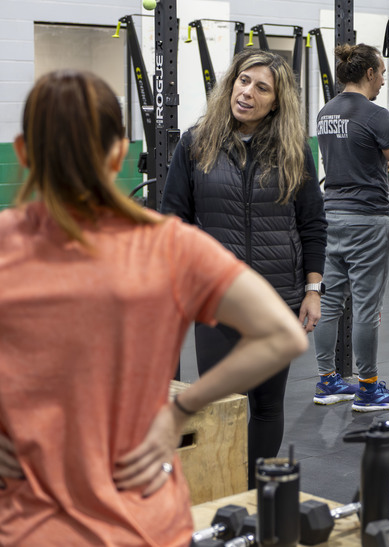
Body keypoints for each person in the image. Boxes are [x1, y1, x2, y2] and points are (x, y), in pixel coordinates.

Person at [0, 70, 307, 545]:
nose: (247, 94)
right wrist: (179, 411)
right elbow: (282, 335)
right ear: (119, 154)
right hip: (146, 522)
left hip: (31, 527)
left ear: (22, 154)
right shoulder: (170, 246)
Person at [161, 48, 326, 486]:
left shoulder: (293, 150)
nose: (247, 92)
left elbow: (312, 223)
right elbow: (173, 221)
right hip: (217, 301)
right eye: (243, 81)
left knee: (268, 407)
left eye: (261, 88)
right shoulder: (196, 143)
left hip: (278, 298)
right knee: (223, 404)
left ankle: (255, 497)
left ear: (277, 101)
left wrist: (313, 289)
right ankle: (226, 493)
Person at [313, 43, 389, 411]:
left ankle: (327, 381)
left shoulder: (324, 112)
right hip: (367, 219)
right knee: (367, 307)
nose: (383, 80)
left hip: (330, 217)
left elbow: (357, 156)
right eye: (381, 73)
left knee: (330, 302)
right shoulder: (376, 115)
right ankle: (367, 388)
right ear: (368, 73)